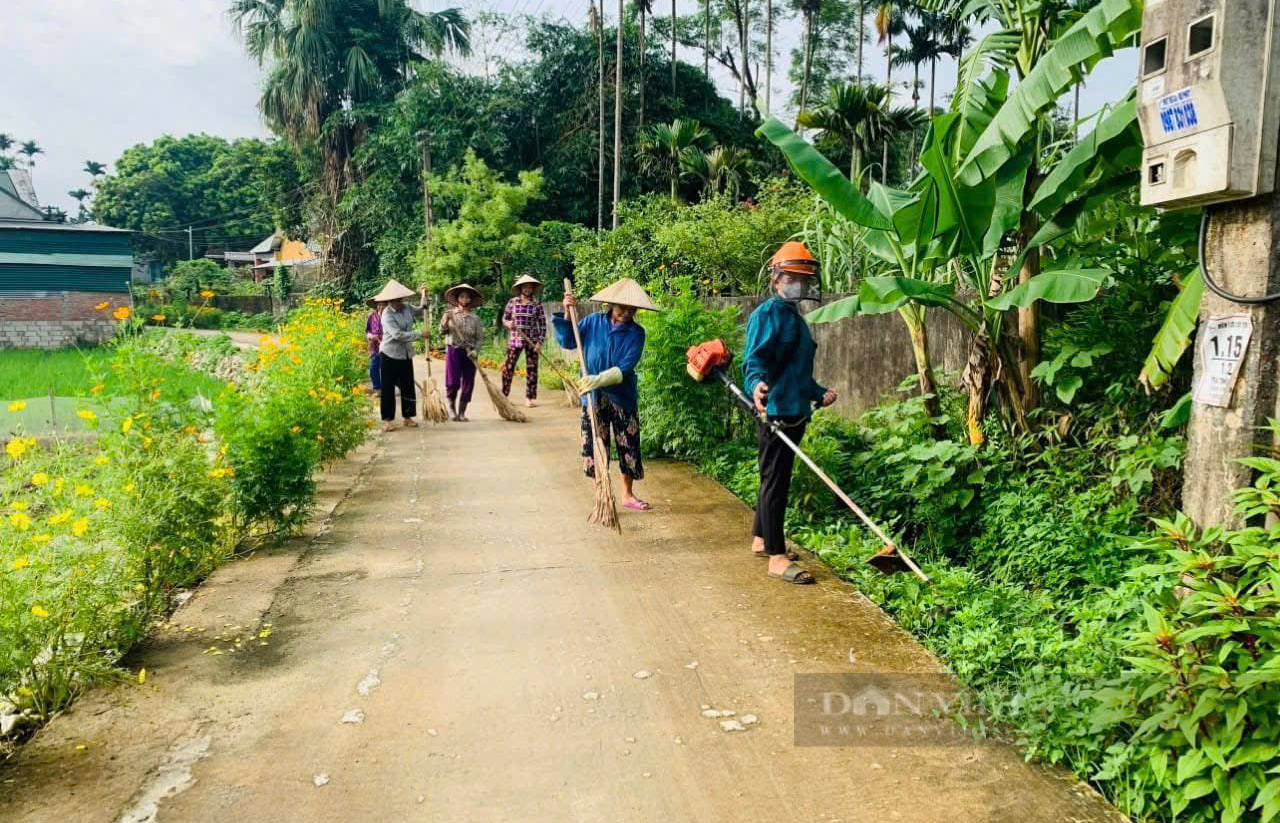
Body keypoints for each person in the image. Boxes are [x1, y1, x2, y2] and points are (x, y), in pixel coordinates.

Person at [742, 241, 838, 585]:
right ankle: (777, 558)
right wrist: (755, 386)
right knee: (776, 483)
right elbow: (754, 362)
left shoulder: (795, 319)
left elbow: (796, 372)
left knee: (774, 477)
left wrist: (818, 392)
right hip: (776, 412)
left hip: (796, 408)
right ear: (777, 278)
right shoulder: (767, 315)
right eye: (793, 277)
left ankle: (760, 538)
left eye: (804, 279)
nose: (800, 285)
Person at [554, 278, 660, 512]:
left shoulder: (636, 333)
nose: (626, 313)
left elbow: (626, 367)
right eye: (622, 307)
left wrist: (598, 379)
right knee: (596, 443)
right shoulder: (592, 322)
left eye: (632, 309)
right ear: (611, 304)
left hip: (622, 395)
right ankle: (601, 492)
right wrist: (567, 313)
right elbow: (568, 341)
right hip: (592, 397)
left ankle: (627, 495)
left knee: (628, 443)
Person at [375, 279, 427, 432]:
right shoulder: (387, 314)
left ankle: (408, 417)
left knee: (408, 385)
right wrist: (419, 334)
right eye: (394, 299)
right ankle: (387, 420)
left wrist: (424, 296)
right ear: (389, 300)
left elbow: (421, 309)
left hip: (405, 354)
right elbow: (397, 335)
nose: (397, 302)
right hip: (389, 354)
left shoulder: (407, 308)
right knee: (388, 388)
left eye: (399, 298)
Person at [439, 283, 486, 422]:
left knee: (468, 383)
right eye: (462, 296)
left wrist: (476, 351)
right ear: (458, 299)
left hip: (469, 353)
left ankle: (462, 412)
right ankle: (452, 408)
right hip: (454, 350)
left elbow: (479, 338)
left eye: (467, 297)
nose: (464, 299)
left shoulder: (475, 319)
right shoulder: (450, 314)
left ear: (470, 300)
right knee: (452, 382)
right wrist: (445, 321)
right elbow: (441, 331)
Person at [501, 274, 547, 408]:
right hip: (515, 340)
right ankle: (504, 395)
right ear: (521, 288)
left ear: (533, 289)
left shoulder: (537, 305)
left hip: (531, 341)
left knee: (532, 369)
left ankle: (530, 398)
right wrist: (509, 324)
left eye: (530, 287)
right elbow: (505, 319)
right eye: (525, 287)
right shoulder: (513, 302)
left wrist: (540, 342)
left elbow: (543, 325)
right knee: (508, 368)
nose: (527, 289)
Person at [365, 295, 385, 396]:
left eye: (384, 304)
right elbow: (367, 331)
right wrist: (370, 336)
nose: (381, 307)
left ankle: (392, 387)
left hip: (387, 346)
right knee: (373, 368)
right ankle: (377, 389)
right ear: (376, 305)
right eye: (379, 304)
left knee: (387, 369)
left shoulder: (389, 316)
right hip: (374, 347)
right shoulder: (371, 316)